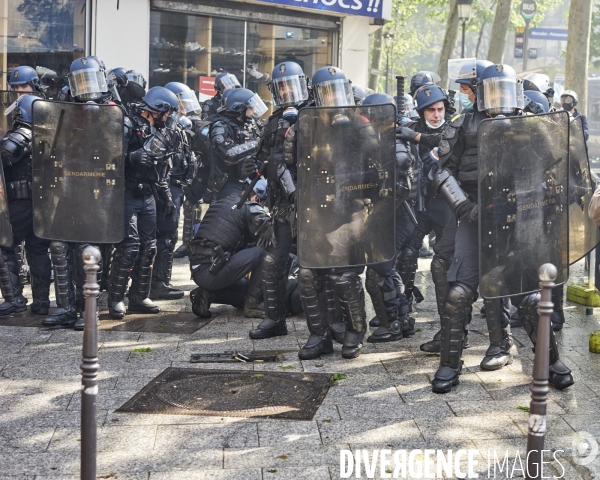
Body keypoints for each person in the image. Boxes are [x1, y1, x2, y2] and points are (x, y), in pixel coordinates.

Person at [431, 63, 573, 393]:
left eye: (503, 90)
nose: (497, 98)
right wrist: (465, 206)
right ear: (479, 93)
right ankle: (450, 365)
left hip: (516, 219)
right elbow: (441, 173)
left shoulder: (531, 124)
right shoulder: (462, 125)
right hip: (474, 215)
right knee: (458, 294)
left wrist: (535, 200)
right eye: (491, 90)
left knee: (530, 298)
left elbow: (553, 171)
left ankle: (550, 362)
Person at [42, 56, 115, 330]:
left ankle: (89, 309)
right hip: (69, 186)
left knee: (88, 249)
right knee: (59, 245)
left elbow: (116, 152)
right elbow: (53, 144)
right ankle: (64, 308)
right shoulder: (66, 108)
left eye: (91, 79)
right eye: (81, 81)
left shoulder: (112, 109)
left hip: (96, 191)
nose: (86, 87)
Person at [246, 61, 311, 340]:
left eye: (291, 86)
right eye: (281, 87)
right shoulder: (273, 122)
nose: (287, 92)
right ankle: (275, 319)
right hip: (283, 206)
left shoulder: (314, 116)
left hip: (312, 204)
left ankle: (330, 325)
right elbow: (261, 158)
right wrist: (253, 167)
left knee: (314, 267)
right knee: (273, 261)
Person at [106, 86, 179, 320]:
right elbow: (108, 157)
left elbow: (161, 170)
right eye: (166, 112)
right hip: (126, 192)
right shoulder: (128, 125)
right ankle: (116, 299)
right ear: (157, 108)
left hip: (148, 194)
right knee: (130, 247)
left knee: (149, 247)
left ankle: (138, 297)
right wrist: (130, 157)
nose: (167, 117)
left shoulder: (157, 130)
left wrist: (166, 196)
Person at [361, 93, 415, 344]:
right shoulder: (385, 138)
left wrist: (378, 217)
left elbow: (401, 188)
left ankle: (395, 323)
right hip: (391, 212)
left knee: (384, 267)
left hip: (398, 214)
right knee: (385, 267)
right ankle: (402, 321)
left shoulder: (396, 142)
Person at [395, 85, 453, 319]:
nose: (437, 115)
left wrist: (420, 142)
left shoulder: (452, 128)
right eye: (430, 110)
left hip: (444, 204)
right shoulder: (410, 128)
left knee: (445, 261)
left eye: (440, 109)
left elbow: (444, 143)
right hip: (417, 204)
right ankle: (401, 307)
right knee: (406, 254)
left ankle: (451, 315)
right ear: (421, 112)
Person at [189, 179, 272, 317]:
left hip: (199, 269)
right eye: (263, 202)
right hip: (212, 271)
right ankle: (253, 305)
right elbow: (270, 235)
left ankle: (207, 294)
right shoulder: (249, 206)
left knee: (247, 290)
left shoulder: (223, 201)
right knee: (263, 252)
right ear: (257, 197)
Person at [0, 95, 51, 316]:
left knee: (3, 246)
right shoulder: (48, 135)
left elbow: (6, 154)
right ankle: (41, 301)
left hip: (19, 204)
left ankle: (14, 299)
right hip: (42, 206)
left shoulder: (22, 134)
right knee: (38, 250)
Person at [150, 82, 201, 300]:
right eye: (180, 104)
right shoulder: (164, 128)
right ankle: (158, 283)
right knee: (165, 236)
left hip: (177, 184)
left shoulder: (180, 127)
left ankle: (160, 281)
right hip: (166, 185)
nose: (183, 109)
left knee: (167, 235)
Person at [205, 88, 267, 202]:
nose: (254, 111)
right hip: (227, 184)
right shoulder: (220, 126)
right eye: (251, 107)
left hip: (247, 181)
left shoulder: (249, 125)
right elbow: (229, 155)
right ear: (240, 108)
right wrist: (256, 144)